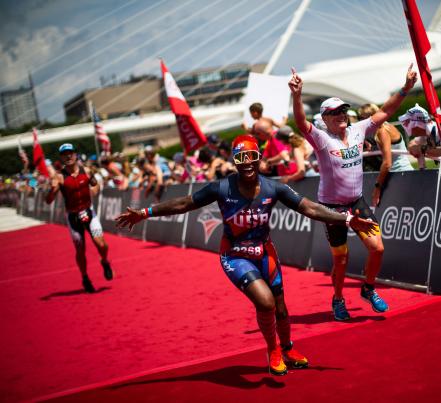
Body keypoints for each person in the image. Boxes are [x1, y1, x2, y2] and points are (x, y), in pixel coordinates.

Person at [115, 135, 378, 376]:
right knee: (266, 304)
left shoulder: (273, 188)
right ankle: (272, 349)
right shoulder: (221, 188)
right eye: (241, 159)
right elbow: (184, 203)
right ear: (234, 162)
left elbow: (309, 208)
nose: (247, 163)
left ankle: (287, 347)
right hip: (234, 256)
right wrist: (146, 213)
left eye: (252, 157)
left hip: (265, 252)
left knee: (282, 308)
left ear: (259, 159)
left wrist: (347, 220)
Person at [289, 63, 417, 321]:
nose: (341, 115)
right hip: (331, 209)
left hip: (356, 201)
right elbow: (302, 123)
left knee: (377, 248)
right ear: (325, 118)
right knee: (341, 260)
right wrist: (297, 95)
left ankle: (368, 289)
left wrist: (405, 88)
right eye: (335, 112)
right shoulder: (323, 138)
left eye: (344, 110)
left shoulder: (358, 130)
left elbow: (386, 111)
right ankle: (338, 299)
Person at [45, 143, 113, 293]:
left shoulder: (86, 171)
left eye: (70, 153)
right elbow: (48, 200)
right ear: (61, 157)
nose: (68, 156)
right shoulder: (59, 177)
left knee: (101, 244)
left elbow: (96, 185)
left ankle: (105, 261)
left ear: (75, 154)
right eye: (64, 154)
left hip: (89, 212)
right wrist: (52, 190)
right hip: (73, 217)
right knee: (80, 250)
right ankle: (85, 277)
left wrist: (93, 192)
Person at [358, 103, 413, 207]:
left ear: (371, 117)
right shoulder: (383, 126)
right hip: (399, 174)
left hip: (400, 174)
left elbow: (387, 163)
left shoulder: (382, 131)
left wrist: (377, 187)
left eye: (362, 118)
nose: (360, 121)